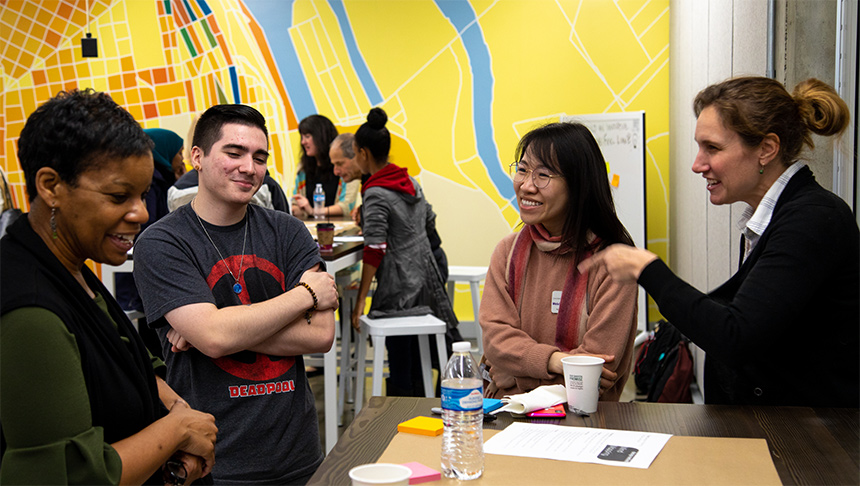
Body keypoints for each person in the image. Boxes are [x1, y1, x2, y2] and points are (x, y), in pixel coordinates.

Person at [580, 76, 859, 408]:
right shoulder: (775, 218)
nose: (697, 164)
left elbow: (736, 336)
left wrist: (648, 270)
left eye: (712, 148)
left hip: (808, 448)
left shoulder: (811, 220)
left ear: (767, 149)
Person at [0, 89, 217, 484]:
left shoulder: (70, 269)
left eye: (141, 193)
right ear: (51, 186)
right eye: (119, 196)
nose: (141, 212)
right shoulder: (30, 312)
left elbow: (116, 359)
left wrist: (172, 408)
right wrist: (178, 432)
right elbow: (64, 476)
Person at [133, 104, 339, 484]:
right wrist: (305, 295)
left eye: (259, 157)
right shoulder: (161, 243)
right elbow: (214, 335)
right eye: (234, 153)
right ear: (198, 156)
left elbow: (320, 335)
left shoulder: (289, 232)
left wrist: (214, 327)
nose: (249, 167)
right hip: (213, 460)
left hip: (297, 453)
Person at [478, 122, 639, 400]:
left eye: (543, 175)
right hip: (506, 414)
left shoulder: (614, 262)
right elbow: (495, 340)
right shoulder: (507, 252)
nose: (526, 185)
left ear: (579, 184)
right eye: (523, 169)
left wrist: (512, 372)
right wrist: (557, 362)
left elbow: (595, 374)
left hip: (582, 421)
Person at [350, 107, 459, 397]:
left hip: (400, 284)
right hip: (428, 274)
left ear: (363, 153)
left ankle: (401, 408)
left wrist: (361, 299)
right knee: (418, 342)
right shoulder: (409, 182)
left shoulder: (375, 192)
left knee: (400, 348)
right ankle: (430, 398)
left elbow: (374, 249)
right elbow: (429, 220)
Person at [115, 128, 185, 355]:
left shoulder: (163, 180)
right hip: (143, 281)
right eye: (179, 153)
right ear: (164, 152)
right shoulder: (152, 183)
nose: (182, 159)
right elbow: (152, 226)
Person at [291, 114, 359, 218]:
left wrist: (314, 211)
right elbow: (297, 203)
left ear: (321, 137)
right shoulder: (303, 168)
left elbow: (346, 207)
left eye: (307, 136)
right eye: (302, 137)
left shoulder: (347, 167)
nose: (303, 142)